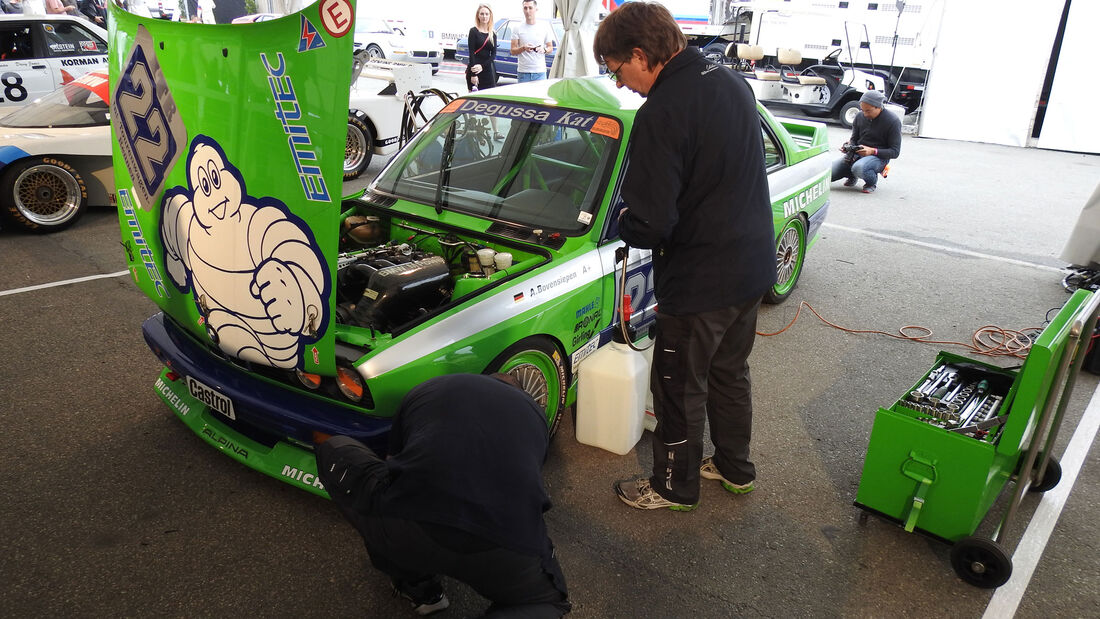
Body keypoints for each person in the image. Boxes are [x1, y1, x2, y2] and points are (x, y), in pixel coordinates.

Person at [594, 2, 776, 511]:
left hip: (700, 280)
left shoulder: (663, 109)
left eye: (618, 70)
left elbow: (651, 225)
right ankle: (736, 469)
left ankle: (673, 486)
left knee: (678, 387)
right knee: (729, 373)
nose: (620, 83)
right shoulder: (729, 79)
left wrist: (622, 222)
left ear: (640, 53)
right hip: (750, 266)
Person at [316, 373, 571, 617]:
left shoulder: (431, 388)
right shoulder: (536, 415)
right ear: (520, 392)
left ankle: (421, 590)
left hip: (409, 526)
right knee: (549, 602)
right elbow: (527, 476)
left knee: (337, 450)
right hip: (505, 547)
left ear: (482, 379)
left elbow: (392, 463)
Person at [831, 89, 902, 194]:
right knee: (828, 174)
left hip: (879, 157)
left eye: (868, 111)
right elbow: (854, 138)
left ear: (878, 107)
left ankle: (871, 182)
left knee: (859, 167)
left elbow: (895, 152)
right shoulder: (860, 116)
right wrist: (849, 146)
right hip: (856, 154)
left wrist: (872, 151)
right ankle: (852, 175)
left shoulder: (893, 121)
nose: (864, 114)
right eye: (862, 110)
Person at [510, 0, 553, 82]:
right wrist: (523, 48)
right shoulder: (517, 27)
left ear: (536, 9)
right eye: (525, 8)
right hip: (523, 72)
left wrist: (544, 50)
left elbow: (550, 47)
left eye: (530, 8)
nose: (528, 11)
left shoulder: (544, 26)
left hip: (540, 72)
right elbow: (512, 51)